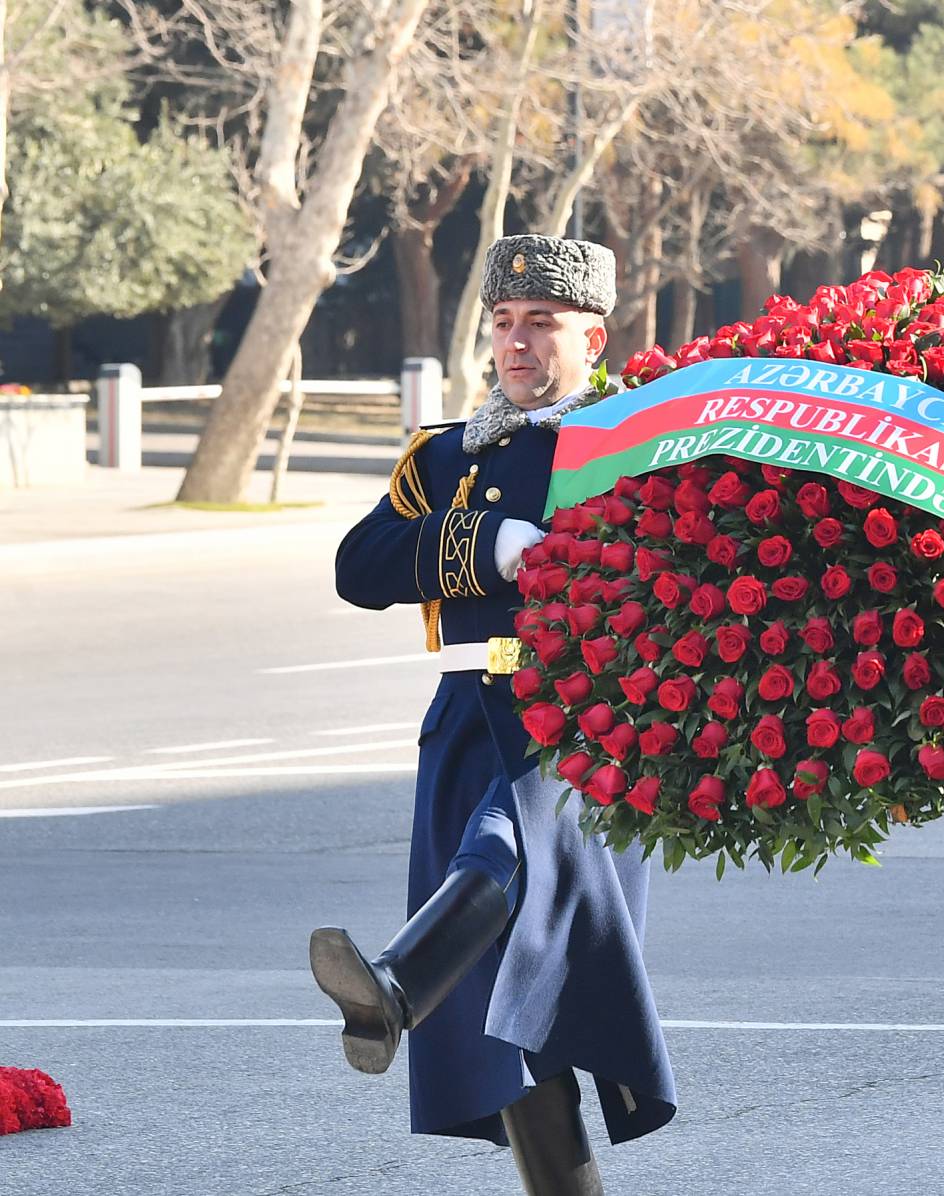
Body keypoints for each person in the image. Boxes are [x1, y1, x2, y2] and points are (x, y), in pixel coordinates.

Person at [311, 235, 675, 1194]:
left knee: (506, 854)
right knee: (509, 1007)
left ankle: (394, 984)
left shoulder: (634, 443)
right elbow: (359, 567)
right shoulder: (442, 457)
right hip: (466, 718)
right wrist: (486, 540)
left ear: (592, 336)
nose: (517, 345)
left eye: (542, 325)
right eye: (505, 324)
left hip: (588, 724)